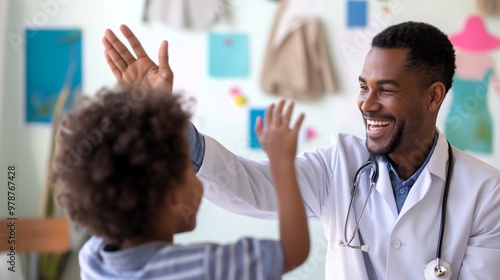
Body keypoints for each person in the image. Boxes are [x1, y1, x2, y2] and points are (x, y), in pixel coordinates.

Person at [102, 22, 500, 279]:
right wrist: (166, 119)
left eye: (387, 90)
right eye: (364, 86)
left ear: (434, 97)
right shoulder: (338, 162)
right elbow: (253, 187)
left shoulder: (485, 192)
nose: (367, 103)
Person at [50, 86, 309, 279]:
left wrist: (139, 111)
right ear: (171, 196)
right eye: (189, 168)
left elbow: (106, 181)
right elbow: (293, 250)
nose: (201, 182)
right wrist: (281, 163)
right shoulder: (202, 267)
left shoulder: (93, 260)